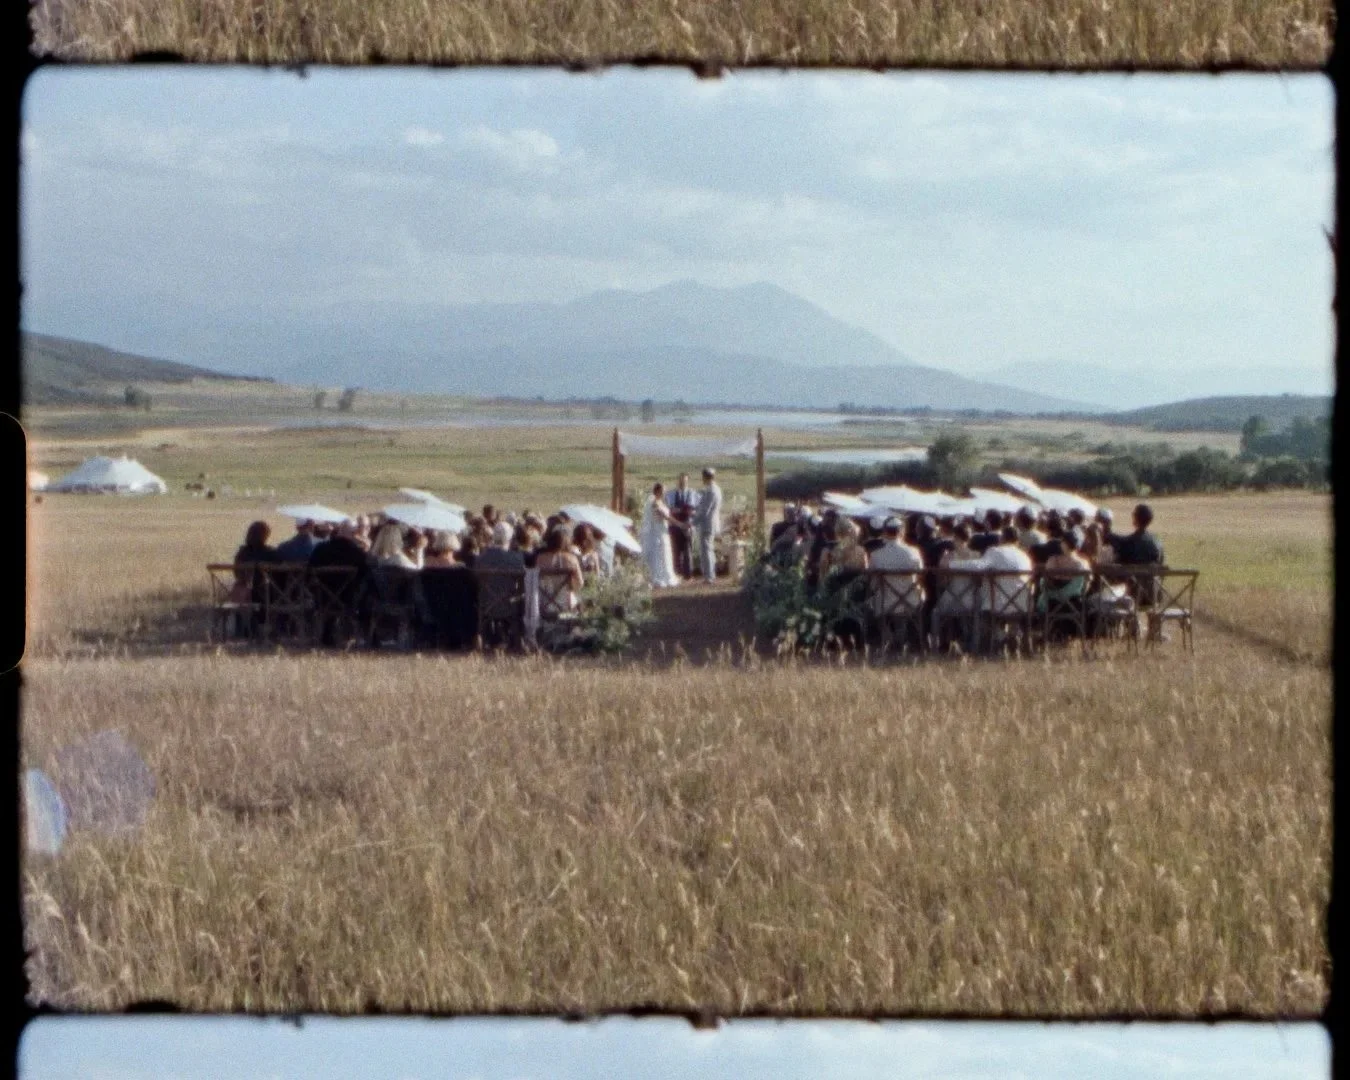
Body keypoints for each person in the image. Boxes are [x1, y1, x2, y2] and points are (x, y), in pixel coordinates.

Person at [640, 482, 681, 588]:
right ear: (658, 491)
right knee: (659, 553)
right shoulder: (654, 503)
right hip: (658, 532)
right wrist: (679, 524)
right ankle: (658, 577)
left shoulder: (660, 502)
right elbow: (664, 516)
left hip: (663, 531)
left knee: (665, 553)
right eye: (663, 491)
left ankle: (665, 575)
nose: (664, 493)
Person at [536, 525, 584, 614]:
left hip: (543, 602)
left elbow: (536, 581)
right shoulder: (572, 559)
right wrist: (570, 586)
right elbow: (580, 584)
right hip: (566, 603)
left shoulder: (540, 559)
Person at [691, 467, 723, 583]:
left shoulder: (711, 491)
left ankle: (709, 576)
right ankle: (710, 574)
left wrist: (692, 522)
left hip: (707, 524)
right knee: (709, 549)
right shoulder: (717, 489)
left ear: (705, 477)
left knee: (706, 550)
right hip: (713, 523)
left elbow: (705, 510)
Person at [667, 473, 699, 579]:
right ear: (678, 481)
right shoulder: (671, 494)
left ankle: (688, 574)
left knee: (687, 550)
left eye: (685, 481)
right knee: (675, 550)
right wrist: (676, 511)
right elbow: (667, 509)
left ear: (688, 482)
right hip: (674, 525)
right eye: (681, 481)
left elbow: (698, 509)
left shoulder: (693, 494)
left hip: (688, 525)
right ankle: (676, 573)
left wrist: (692, 514)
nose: (682, 483)